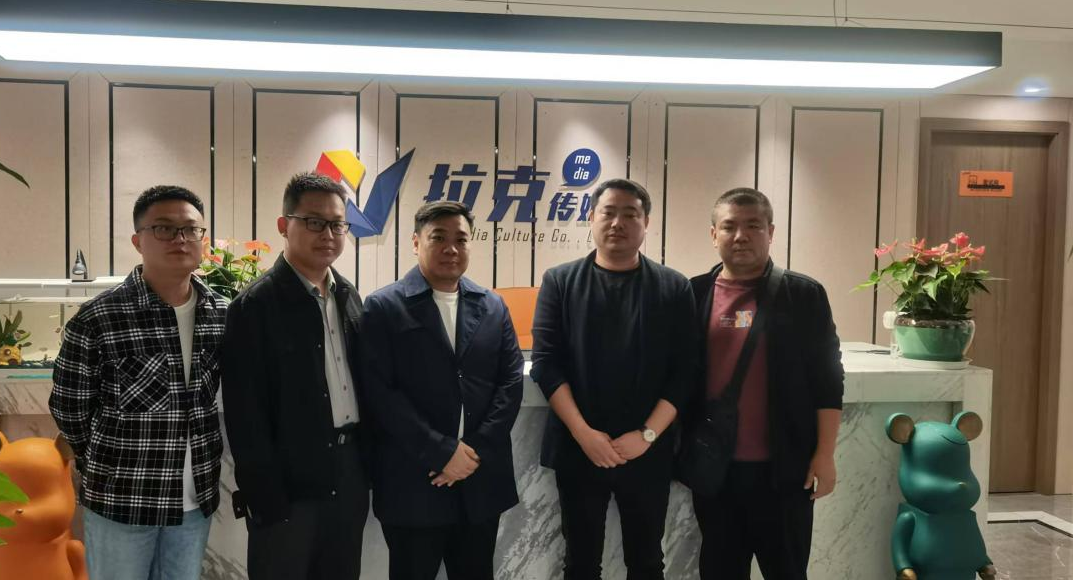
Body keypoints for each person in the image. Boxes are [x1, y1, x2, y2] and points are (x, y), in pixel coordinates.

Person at [50, 185, 225, 579]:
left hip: (195, 500)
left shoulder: (221, 313)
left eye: (190, 229)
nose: (180, 238)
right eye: (164, 228)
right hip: (122, 500)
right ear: (137, 240)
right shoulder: (99, 318)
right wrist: (105, 463)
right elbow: (69, 408)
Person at [530, 178, 697, 580]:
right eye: (608, 212)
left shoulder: (673, 286)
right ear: (591, 217)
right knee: (580, 562)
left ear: (646, 223)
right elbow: (546, 363)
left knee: (647, 562)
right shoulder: (560, 281)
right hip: (579, 448)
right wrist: (584, 434)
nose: (618, 222)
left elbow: (686, 370)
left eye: (630, 214)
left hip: (647, 451)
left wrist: (647, 435)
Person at [360, 200, 524, 580]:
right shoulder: (384, 307)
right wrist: (442, 451)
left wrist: (473, 451)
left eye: (461, 239)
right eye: (438, 238)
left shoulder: (493, 306)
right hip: (414, 481)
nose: (451, 248)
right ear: (416, 242)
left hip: (479, 481)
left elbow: (511, 381)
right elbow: (380, 393)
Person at [688, 187, 843, 580]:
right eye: (729, 226)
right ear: (714, 235)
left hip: (785, 471)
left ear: (771, 232)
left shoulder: (803, 294)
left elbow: (827, 379)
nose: (741, 235)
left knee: (787, 572)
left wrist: (825, 454)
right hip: (715, 472)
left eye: (753, 226)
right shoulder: (693, 293)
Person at [221, 172, 368, 580]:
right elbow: (245, 414)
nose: (328, 234)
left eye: (337, 224)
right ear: (284, 225)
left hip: (348, 472)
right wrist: (265, 496)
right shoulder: (254, 307)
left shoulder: (348, 295)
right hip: (286, 483)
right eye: (314, 222)